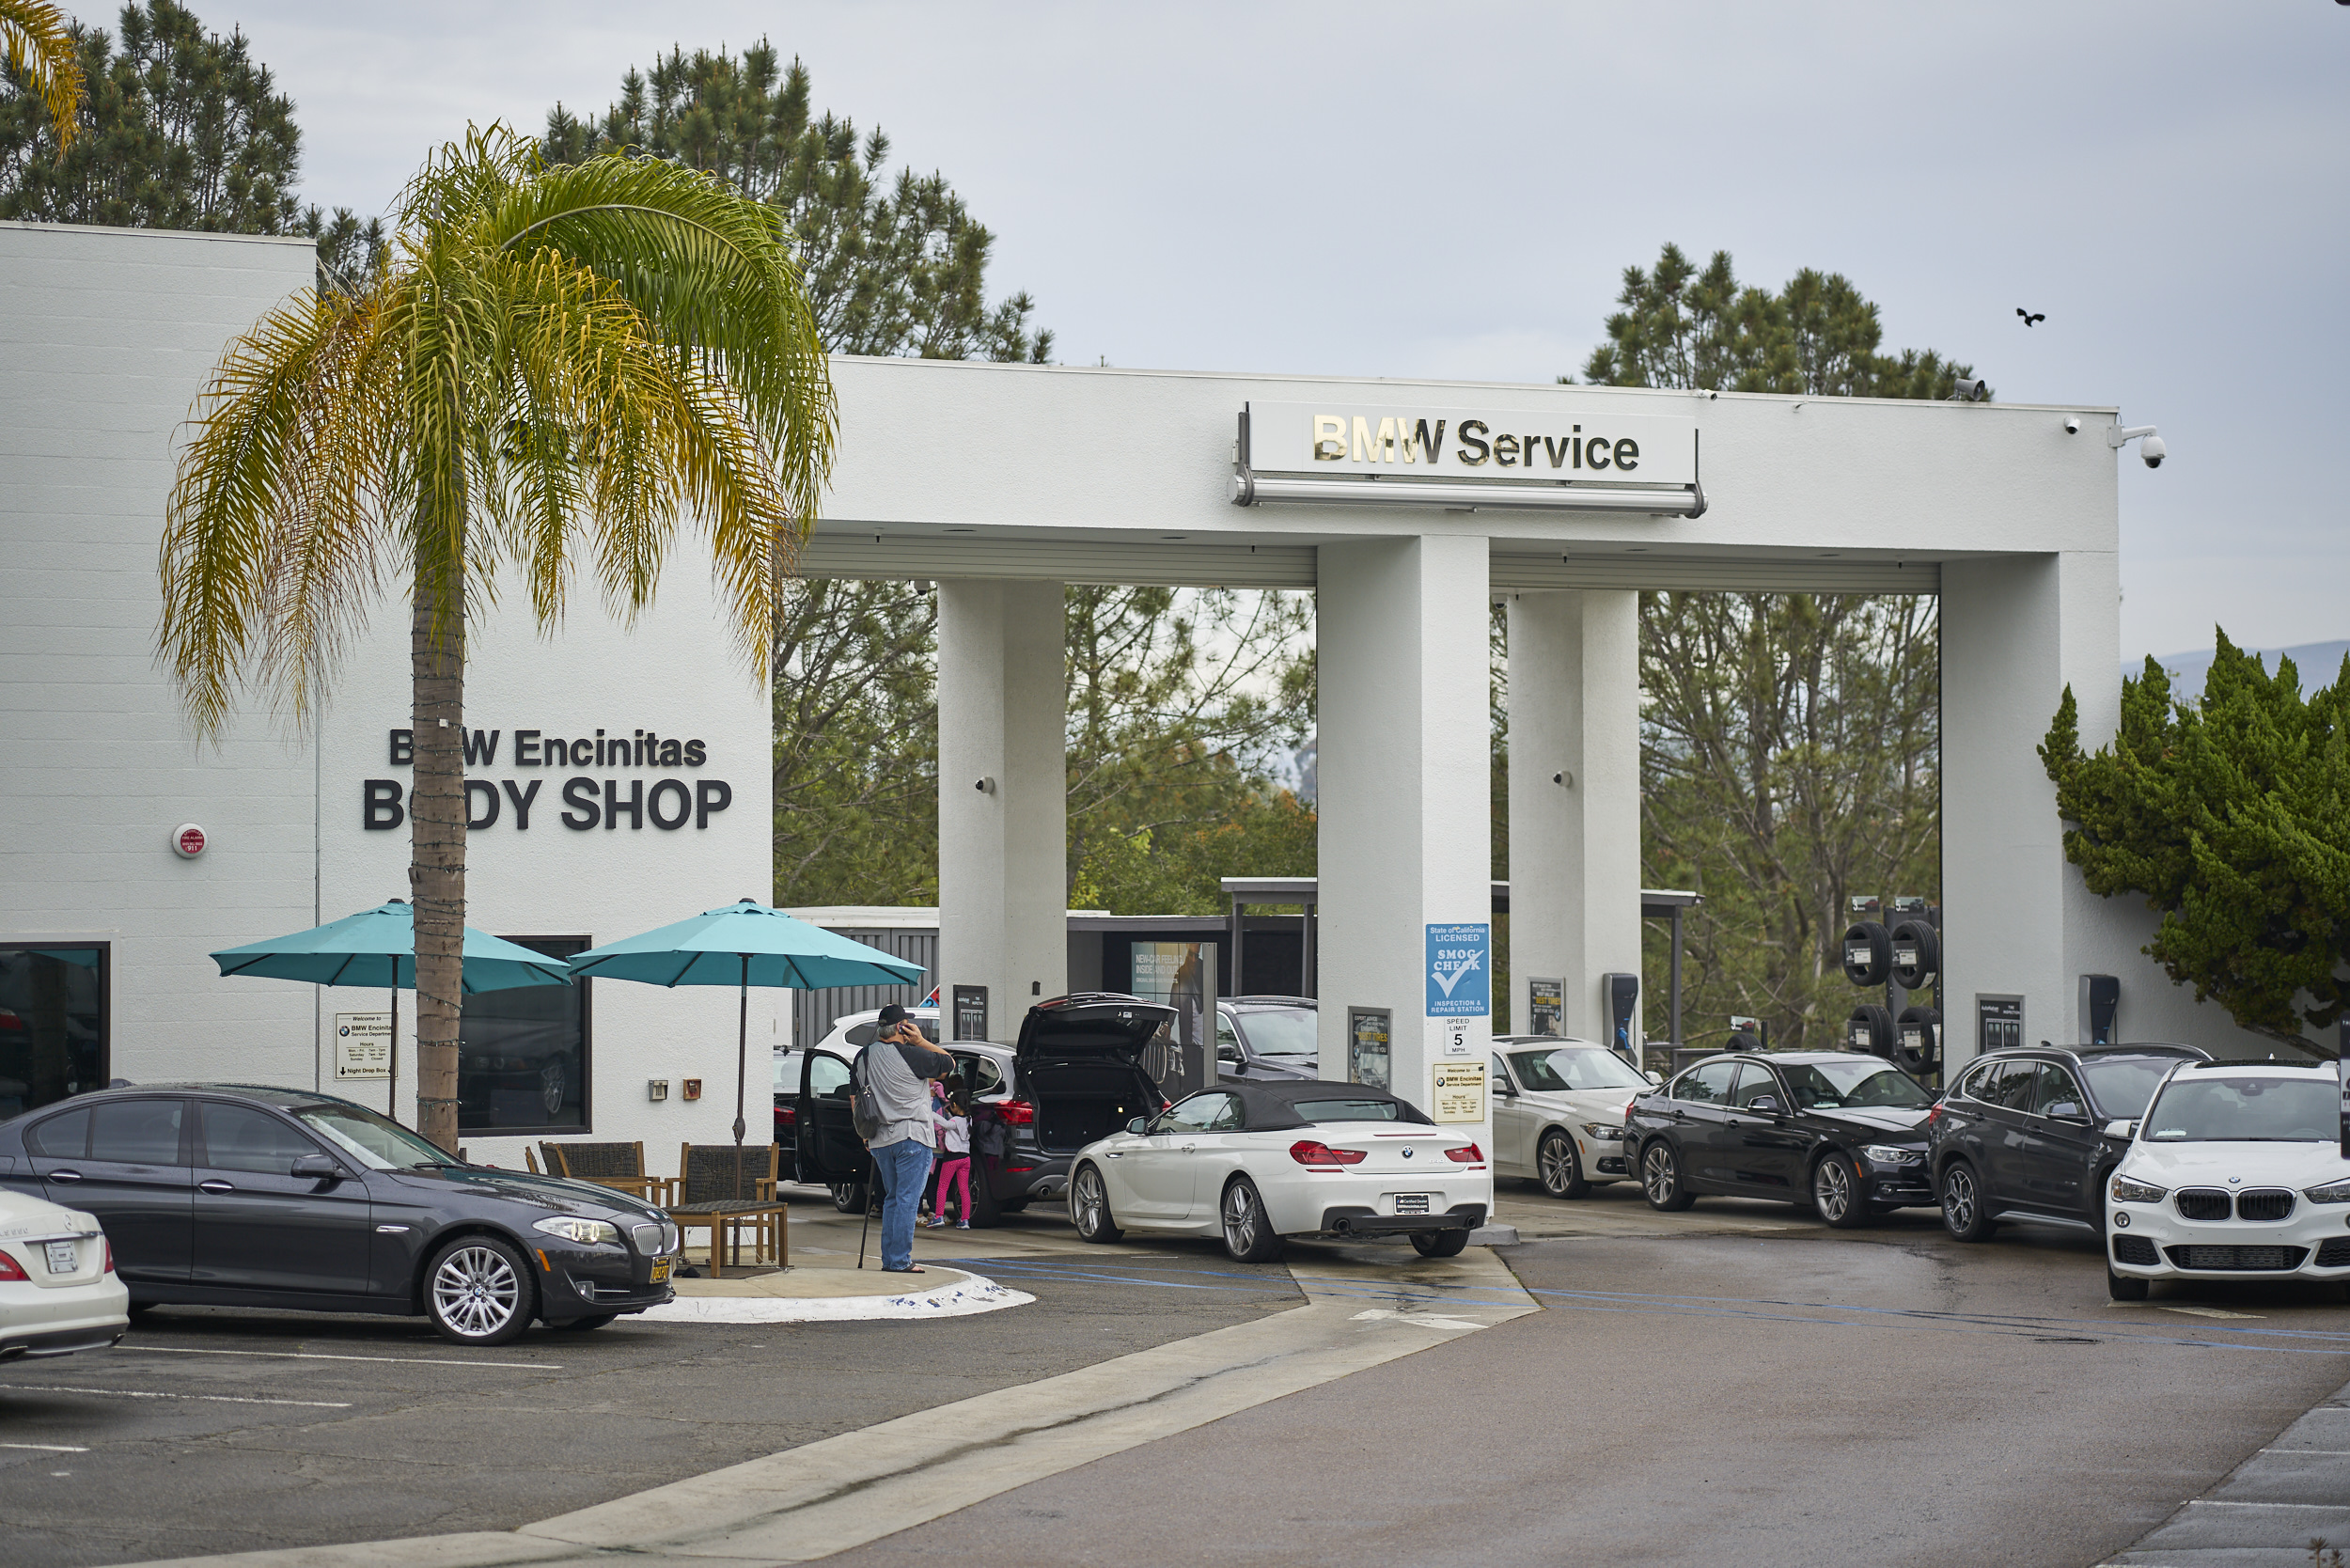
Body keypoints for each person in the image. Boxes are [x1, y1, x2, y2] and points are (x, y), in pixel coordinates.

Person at [858, 1003, 952, 1273]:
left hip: (880, 1139)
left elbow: (856, 1098)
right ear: (901, 1027)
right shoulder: (914, 1054)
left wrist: (863, 1134)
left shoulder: (863, 1057)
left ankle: (891, 1259)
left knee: (892, 1198)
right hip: (912, 1135)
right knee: (908, 1200)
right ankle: (899, 1261)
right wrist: (922, 1040)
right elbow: (948, 1063)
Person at [928, 1080, 972, 1230]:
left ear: (954, 1105)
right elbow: (954, 1121)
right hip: (965, 1158)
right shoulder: (968, 1119)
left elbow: (947, 1124)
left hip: (952, 1158)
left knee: (942, 1187)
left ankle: (938, 1216)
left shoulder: (954, 1120)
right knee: (963, 1189)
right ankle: (965, 1220)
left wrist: (931, 1113)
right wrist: (947, 1110)